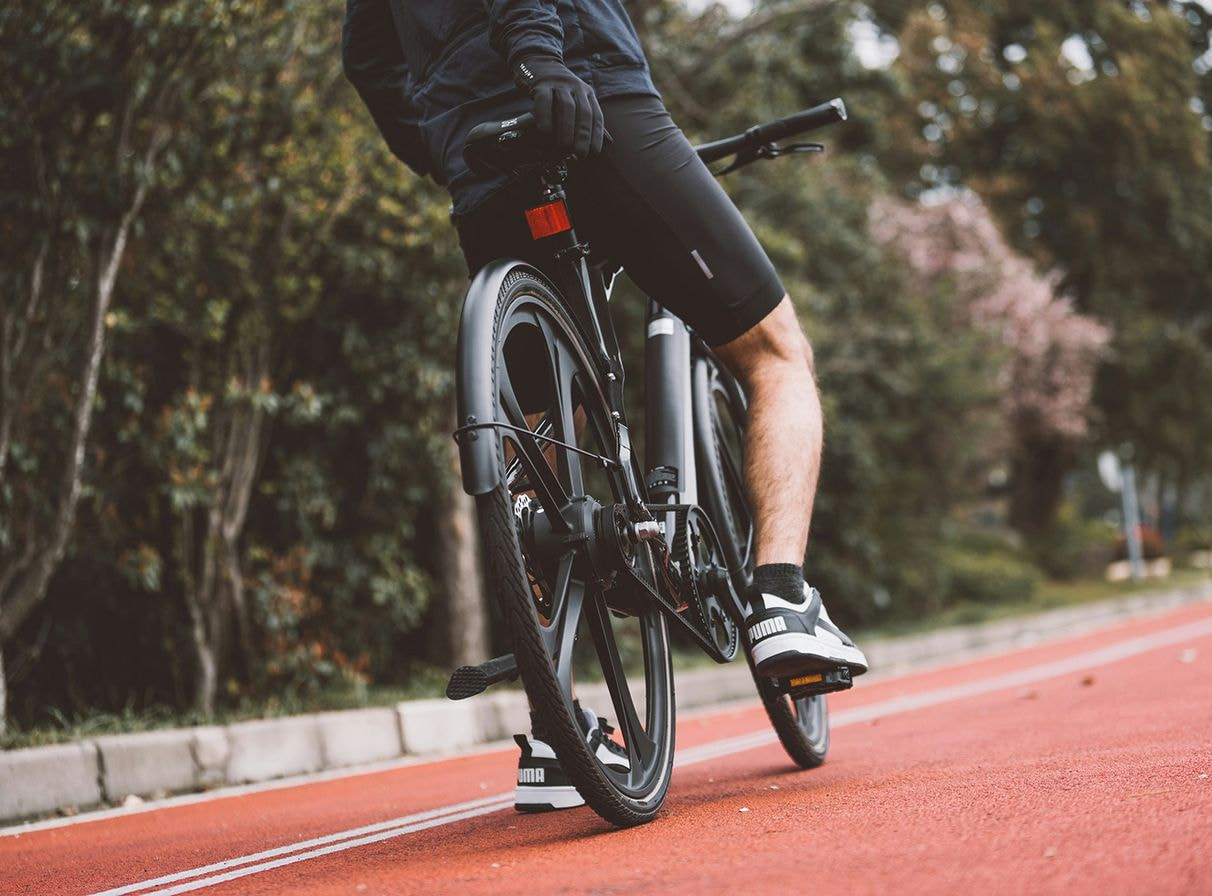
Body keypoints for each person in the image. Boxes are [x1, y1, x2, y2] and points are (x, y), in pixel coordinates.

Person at [342, 0, 867, 811]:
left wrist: (443, 143)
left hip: (479, 157)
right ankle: (783, 598)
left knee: (544, 428)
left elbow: (369, 58)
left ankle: (556, 726)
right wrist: (541, 62)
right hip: (589, 100)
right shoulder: (560, 64)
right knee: (775, 353)